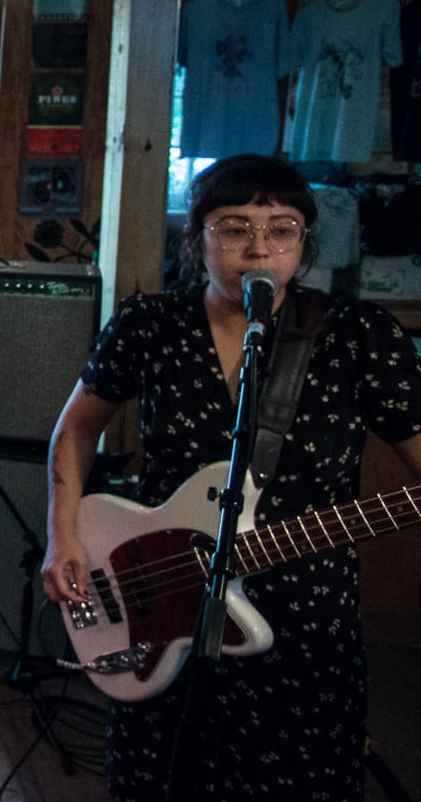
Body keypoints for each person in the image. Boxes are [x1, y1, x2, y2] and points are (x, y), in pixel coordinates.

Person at [41, 154, 421, 801]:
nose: (258, 248)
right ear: (197, 240)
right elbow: (76, 428)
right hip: (160, 601)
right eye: (234, 227)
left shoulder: (359, 338)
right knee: (157, 779)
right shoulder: (149, 327)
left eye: (282, 229)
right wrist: (63, 533)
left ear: (305, 243)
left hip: (306, 624)